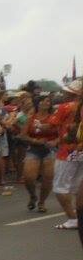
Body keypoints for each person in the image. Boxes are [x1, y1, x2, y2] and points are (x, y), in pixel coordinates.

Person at [49, 80, 82, 230]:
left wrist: (37, 125)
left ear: (72, 94)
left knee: (60, 187)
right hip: (80, 150)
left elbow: (51, 124)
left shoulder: (65, 107)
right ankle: (78, 216)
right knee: (76, 186)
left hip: (67, 151)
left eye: (65, 92)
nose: (63, 94)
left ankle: (73, 218)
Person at [19, 96, 58, 213]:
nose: (46, 103)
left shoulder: (54, 118)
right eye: (43, 100)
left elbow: (61, 133)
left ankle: (42, 202)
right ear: (37, 104)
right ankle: (33, 196)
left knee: (48, 178)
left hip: (49, 150)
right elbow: (22, 135)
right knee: (28, 177)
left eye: (48, 101)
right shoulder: (31, 118)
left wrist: (55, 141)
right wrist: (35, 141)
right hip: (34, 149)